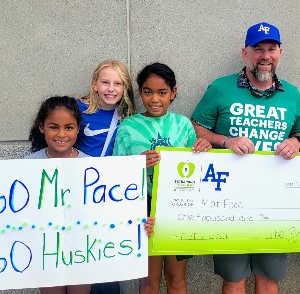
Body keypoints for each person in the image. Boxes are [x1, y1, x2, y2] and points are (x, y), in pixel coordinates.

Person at [191, 22, 300, 294]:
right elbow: (195, 127)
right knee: (234, 278)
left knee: (269, 278)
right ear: (245, 54)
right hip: (229, 200)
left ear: (280, 52)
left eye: (271, 49)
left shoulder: (293, 94)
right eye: (258, 49)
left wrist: (295, 142)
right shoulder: (220, 88)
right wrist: (226, 141)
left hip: (276, 202)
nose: (265, 55)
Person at [113, 62, 212, 294]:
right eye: (148, 92)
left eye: (162, 92)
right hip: (143, 207)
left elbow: (195, 165)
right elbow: (115, 173)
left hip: (179, 205)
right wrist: (136, 164)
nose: (154, 99)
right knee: (149, 278)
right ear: (140, 93)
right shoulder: (129, 127)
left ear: (173, 93)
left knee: (177, 277)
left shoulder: (183, 125)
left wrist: (204, 147)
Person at [75, 59, 136, 294]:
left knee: (107, 258)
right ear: (94, 84)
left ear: (125, 88)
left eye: (118, 84)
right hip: (79, 192)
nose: (111, 89)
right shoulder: (77, 109)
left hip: (109, 198)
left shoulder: (128, 118)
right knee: (82, 257)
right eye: (105, 82)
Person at [26, 96, 90, 294]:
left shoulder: (92, 167)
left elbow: (108, 209)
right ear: (42, 127)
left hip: (82, 249)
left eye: (69, 127)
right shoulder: (26, 166)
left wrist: (136, 223)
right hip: (45, 251)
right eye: (54, 126)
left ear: (78, 129)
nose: (61, 134)